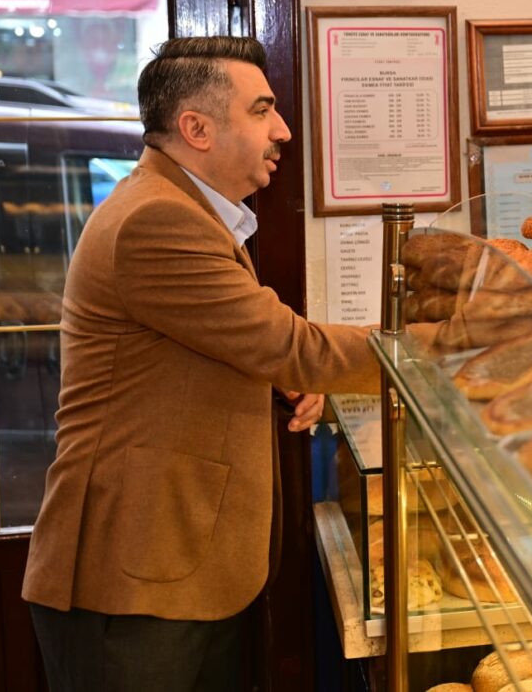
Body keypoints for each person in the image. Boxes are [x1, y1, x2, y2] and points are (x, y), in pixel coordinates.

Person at [22, 36, 380, 691]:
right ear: (196, 128)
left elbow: (212, 345)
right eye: (262, 110)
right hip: (129, 585)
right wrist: (437, 347)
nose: (283, 130)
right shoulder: (158, 219)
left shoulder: (186, 210)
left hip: (177, 571)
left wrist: (279, 380)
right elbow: (286, 342)